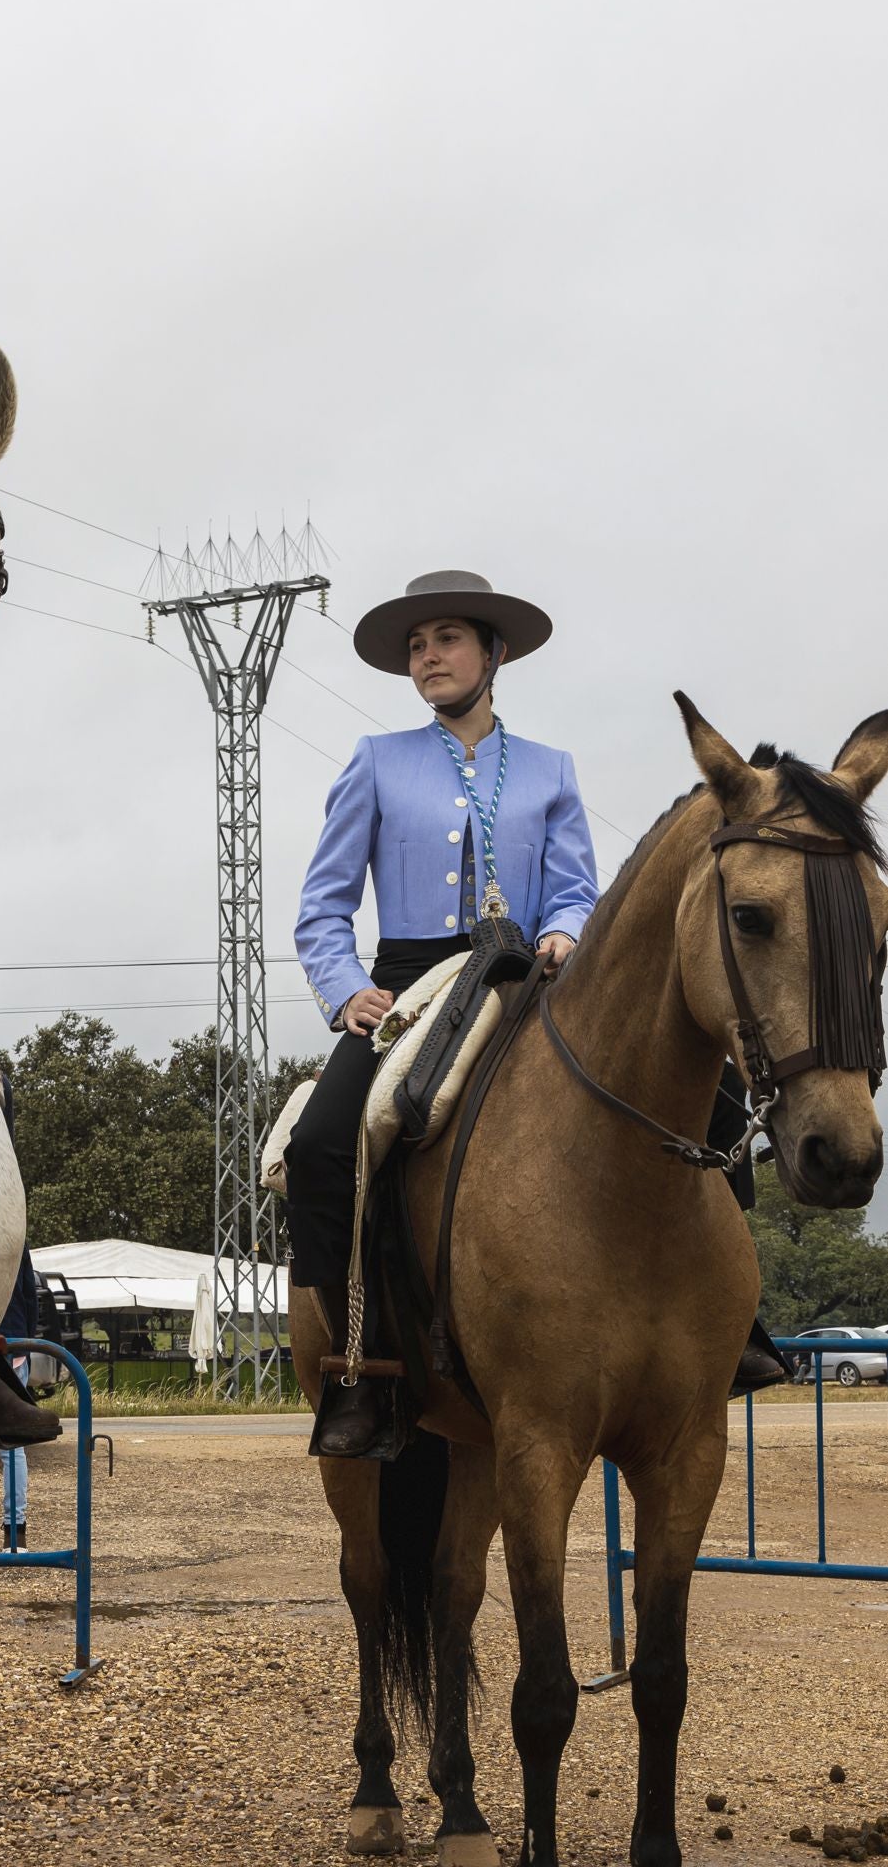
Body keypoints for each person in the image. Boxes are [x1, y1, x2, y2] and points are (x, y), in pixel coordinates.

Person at [286, 569, 598, 1457]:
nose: (427, 656)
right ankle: (357, 1364)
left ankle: (726, 1328)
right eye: (416, 646)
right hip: (408, 983)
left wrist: (566, 932)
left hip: (525, 973)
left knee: (699, 1089)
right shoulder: (375, 760)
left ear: (492, 652)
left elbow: (576, 889)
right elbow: (322, 905)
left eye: (446, 638)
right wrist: (345, 986)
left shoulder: (549, 768)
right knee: (320, 1145)